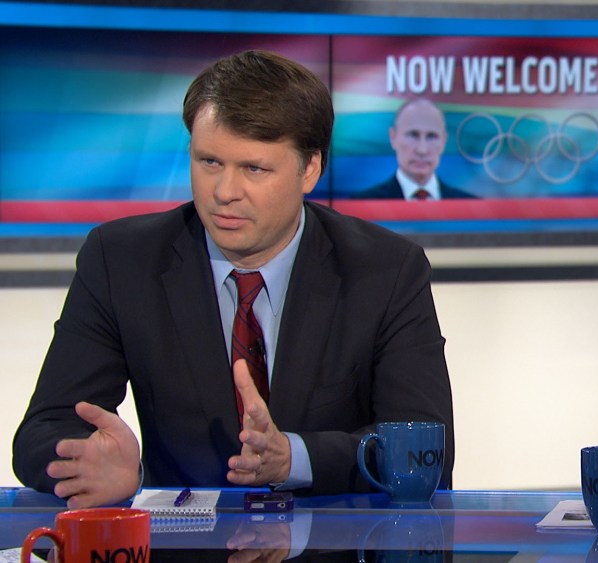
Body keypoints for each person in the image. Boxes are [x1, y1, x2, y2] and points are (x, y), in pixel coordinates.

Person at [12, 50, 455, 509]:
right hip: (181, 542)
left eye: (253, 168)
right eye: (209, 162)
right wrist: (104, 467)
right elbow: (42, 432)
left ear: (309, 168)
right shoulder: (122, 261)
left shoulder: (385, 271)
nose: (224, 192)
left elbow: (426, 456)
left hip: (335, 541)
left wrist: (295, 458)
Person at [353, 97, 477, 200]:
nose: (422, 150)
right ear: (393, 137)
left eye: (431, 136)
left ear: (444, 141)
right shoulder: (363, 204)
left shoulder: (470, 207)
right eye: (413, 135)